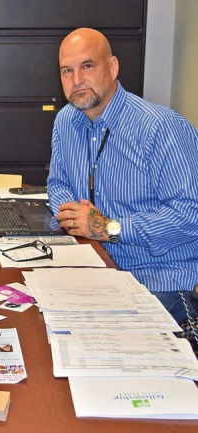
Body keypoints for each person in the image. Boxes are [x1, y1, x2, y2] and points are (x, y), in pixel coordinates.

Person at [47, 28, 198, 324]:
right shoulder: (66, 120)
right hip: (96, 266)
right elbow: (58, 183)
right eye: (67, 70)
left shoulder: (162, 128)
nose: (77, 80)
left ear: (113, 67)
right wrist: (74, 217)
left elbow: (190, 215)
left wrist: (107, 228)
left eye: (87, 66)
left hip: (162, 280)